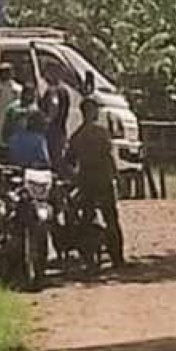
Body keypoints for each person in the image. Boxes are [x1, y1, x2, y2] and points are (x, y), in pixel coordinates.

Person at [66, 98, 125, 270]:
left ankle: (88, 258)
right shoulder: (102, 133)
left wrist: (74, 177)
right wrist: (117, 176)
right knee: (111, 218)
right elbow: (108, 156)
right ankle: (117, 258)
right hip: (103, 178)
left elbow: (69, 160)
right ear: (92, 112)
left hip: (86, 180)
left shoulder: (77, 136)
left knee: (86, 217)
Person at [40, 65, 71, 171]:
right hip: (61, 128)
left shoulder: (53, 90)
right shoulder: (64, 90)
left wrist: (47, 121)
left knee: (53, 157)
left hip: (53, 129)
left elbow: (54, 106)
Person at [2, 83, 39, 149]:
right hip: (13, 140)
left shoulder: (34, 108)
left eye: (33, 94)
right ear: (24, 93)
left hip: (28, 143)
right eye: (29, 94)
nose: (31, 96)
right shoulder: (13, 106)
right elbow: (7, 123)